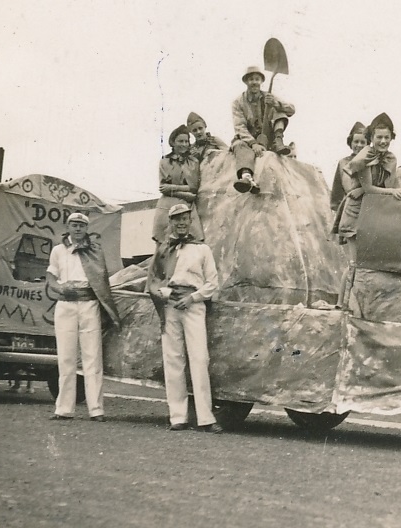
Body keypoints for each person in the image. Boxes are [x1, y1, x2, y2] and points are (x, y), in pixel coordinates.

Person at [147, 204, 222, 433]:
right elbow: (154, 280)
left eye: (185, 219)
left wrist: (192, 298)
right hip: (170, 307)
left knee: (199, 359)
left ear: (191, 222)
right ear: (170, 222)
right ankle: (177, 417)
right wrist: (166, 293)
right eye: (176, 219)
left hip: (193, 306)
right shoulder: (163, 249)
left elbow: (212, 283)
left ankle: (205, 418)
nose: (181, 223)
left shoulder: (202, 249)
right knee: (173, 359)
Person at [47, 213, 120, 421]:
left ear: (87, 228)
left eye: (81, 225)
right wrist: (60, 287)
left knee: (92, 357)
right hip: (66, 305)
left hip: (89, 304)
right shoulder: (58, 250)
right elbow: (50, 277)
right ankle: (64, 409)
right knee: (66, 357)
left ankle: (96, 410)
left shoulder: (95, 250)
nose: (78, 228)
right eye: (74, 224)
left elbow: (101, 280)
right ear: (68, 227)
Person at [332, 113, 401, 307]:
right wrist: (392, 192)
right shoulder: (365, 156)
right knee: (355, 264)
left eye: (386, 137)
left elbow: (383, 185)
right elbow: (368, 188)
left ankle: (357, 306)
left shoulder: (390, 158)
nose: (383, 141)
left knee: (367, 265)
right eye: (379, 137)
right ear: (371, 138)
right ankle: (343, 305)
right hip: (356, 213)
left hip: (373, 213)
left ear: (392, 138)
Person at [230, 65, 296, 194]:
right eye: (251, 79)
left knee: (277, 109)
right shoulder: (238, 102)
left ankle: (278, 141)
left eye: (257, 79)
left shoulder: (268, 96)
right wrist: (253, 143)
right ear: (246, 82)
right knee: (239, 145)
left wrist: (276, 103)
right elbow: (239, 126)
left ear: (261, 81)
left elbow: (291, 110)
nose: (254, 82)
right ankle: (246, 177)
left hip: (268, 138)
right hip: (249, 139)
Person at [152, 125, 203, 243]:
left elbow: (193, 188)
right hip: (167, 205)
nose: (184, 144)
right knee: (164, 243)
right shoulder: (165, 162)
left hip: (187, 206)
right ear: (173, 142)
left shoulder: (193, 162)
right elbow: (163, 188)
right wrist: (186, 194)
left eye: (186, 141)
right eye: (180, 141)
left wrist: (172, 188)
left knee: (192, 242)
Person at [329, 121, 368, 212]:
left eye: (362, 142)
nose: (359, 145)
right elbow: (337, 192)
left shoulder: (372, 162)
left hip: (367, 208)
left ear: (367, 144)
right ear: (351, 143)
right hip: (348, 209)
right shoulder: (343, 163)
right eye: (356, 142)